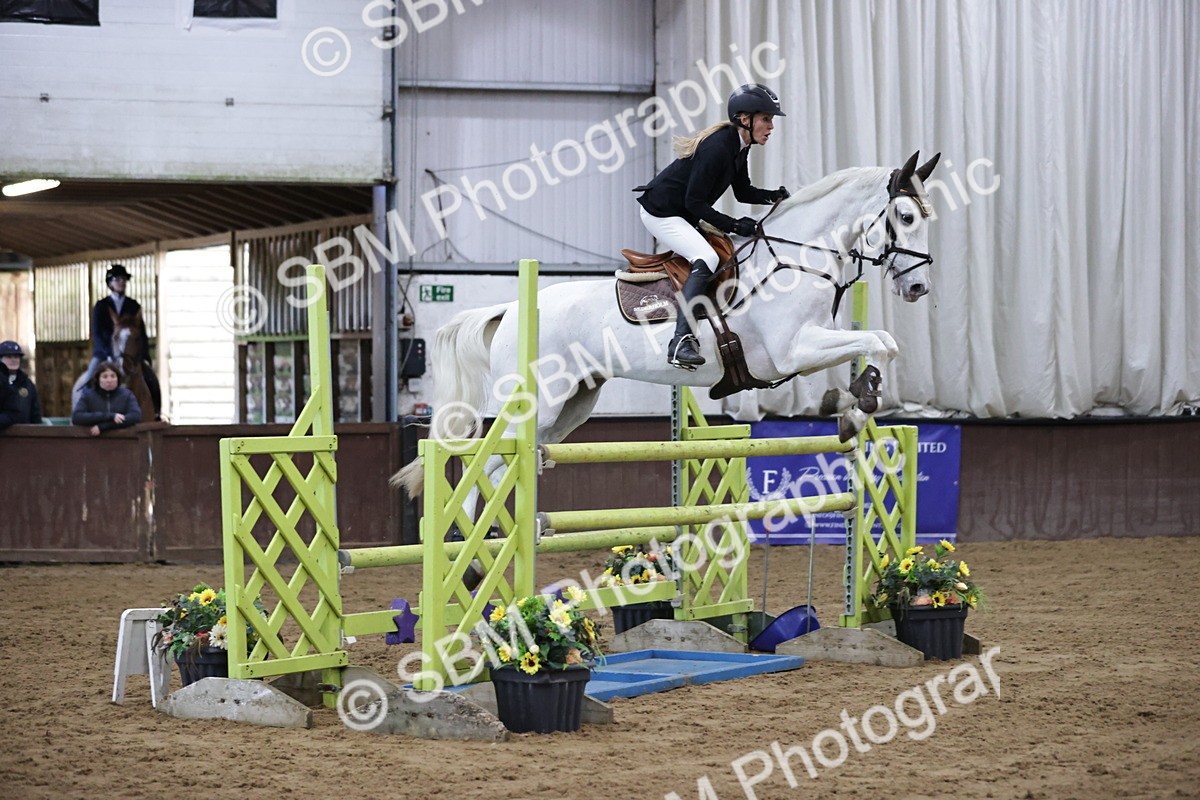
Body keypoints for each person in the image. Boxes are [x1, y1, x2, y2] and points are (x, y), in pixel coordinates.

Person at [634, 84, 790, 368]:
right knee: (706, 256)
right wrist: (733, 223)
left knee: (732, 248)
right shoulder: (718, 147)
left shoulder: (738, 146)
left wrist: (775, 197)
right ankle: (680, 341)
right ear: (745, 119)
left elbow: (743, 192)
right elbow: (695, 202)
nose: (771, 126)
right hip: (661, 212)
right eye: (767, 118)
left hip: (683, 212)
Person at [72, 263, 161, 414]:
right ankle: (84, 409)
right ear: (110, 283)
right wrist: (108, 352)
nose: (121, 282)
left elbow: (142, 333)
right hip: (104, 352)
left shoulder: (133, 306)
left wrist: (144, 355)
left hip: (130, 356)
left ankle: (157, 411)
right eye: (117, 279)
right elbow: (97, 333)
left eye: (124, 279)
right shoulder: (101, 306)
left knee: (152, 379)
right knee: (89, 378)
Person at [71, 360, 142, 435]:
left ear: (118, 378)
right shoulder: (88, 395)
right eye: (105, 376)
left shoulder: (127, 395)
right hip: (94, 442)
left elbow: (135, 416)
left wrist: (103, 426)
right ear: (98, 379)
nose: (109, 380)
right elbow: (77, 417)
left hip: (122, 441)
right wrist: (110, 416)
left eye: (113, 376)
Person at [0, 340, 42, 424]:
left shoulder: (27, 384)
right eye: (9, 357)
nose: (13, 360)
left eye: (16, 357)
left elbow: (35, 414)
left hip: (24, 434)